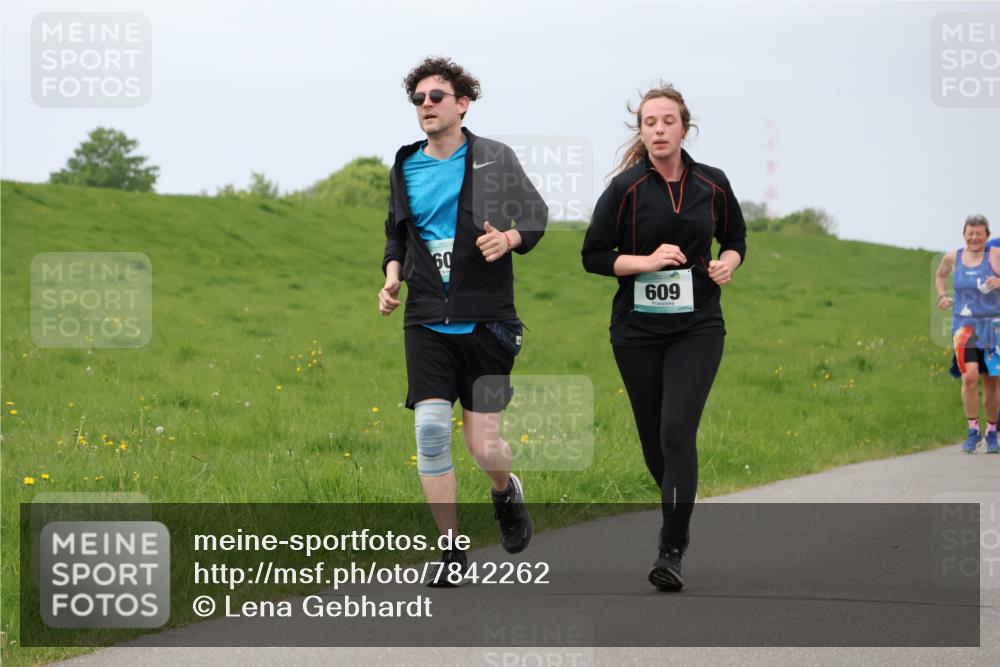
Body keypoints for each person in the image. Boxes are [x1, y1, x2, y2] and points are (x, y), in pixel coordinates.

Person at [379, 57, 548, 586]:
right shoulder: (405, 166)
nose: (425, 106)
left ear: (462, 103)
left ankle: (505, 491)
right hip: (426, 317)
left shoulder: (494, 158)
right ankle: (451, 549)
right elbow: (396, 234)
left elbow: (536, 215)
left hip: (488, 320)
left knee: (482, 445)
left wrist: (511, 239)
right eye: (418, 99)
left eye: (435, 97)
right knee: (430, 433)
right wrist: (391, 277)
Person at [581, 84, 747, 591]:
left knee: (677, 430)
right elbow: (593, 255)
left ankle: (671, 549)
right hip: (636, 330)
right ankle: (679, 503)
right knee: (655, 441)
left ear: (684, 127)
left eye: (667, 121)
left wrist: (727, 266)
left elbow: (736, 239)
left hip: (698, 326)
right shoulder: (626, 189)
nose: (658, 129)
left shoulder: (713, 184)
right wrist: (648, 262)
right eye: (649, 122)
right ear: (641, 130)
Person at [936, 214, 1000, 454]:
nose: (974, 237)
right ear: (964, 234)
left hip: (994, 327)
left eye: (979, 234)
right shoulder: (953, 257)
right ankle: (973, 430)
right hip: (964, 328)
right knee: (970, 376)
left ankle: (992, 432)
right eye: (970, 233)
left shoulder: (995, 257)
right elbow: (940, 275)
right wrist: (942, 295)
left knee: (992, 381)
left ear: (987, 236)